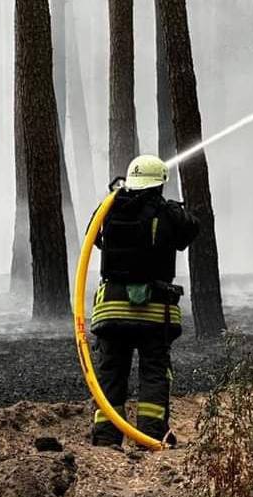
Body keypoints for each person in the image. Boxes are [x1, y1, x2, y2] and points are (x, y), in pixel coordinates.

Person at [90, 154, 199, 448]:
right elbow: (191, 229)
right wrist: (172, 207)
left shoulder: (109, 208)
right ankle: (150, 436)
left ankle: (105, 438)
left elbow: (95, 238)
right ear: (160, 185)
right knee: (153, 373)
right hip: (153, 313)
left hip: (111, 311)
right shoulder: (166, 213)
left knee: (111, 374)